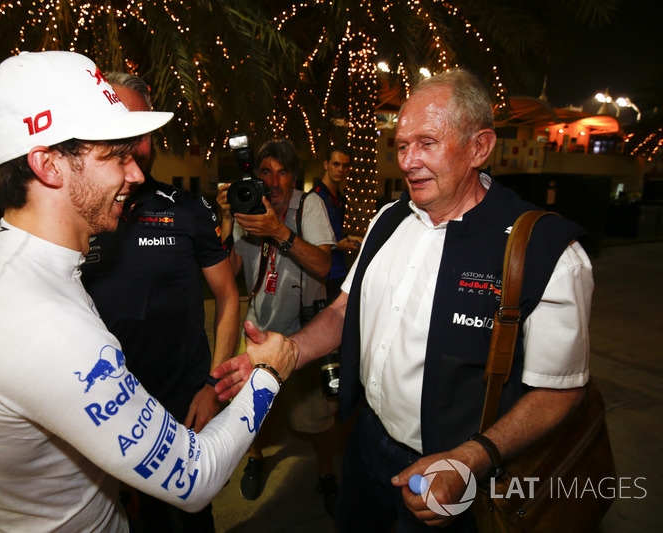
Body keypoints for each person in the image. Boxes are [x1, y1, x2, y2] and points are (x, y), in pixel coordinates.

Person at [213, 69, 593, 531]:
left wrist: (472, 459)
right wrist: (290, 351)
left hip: (452, 467)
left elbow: (562, 388)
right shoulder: (388, 220)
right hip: (366, 440)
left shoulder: (547, 252)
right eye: (401, 145)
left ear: (480, 147)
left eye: (427, 143)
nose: (408, 161)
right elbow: (344, 307)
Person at [0, 50, 295, 532]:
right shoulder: (48, 325)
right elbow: (195, 476)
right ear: (48, 165)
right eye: (115, 156)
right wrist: (269, 374)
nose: (137, 173)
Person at [81, 72, 239, 532]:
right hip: (101, 407)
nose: (130, 143)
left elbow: (229, 297)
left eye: (140, 130)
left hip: (182, 406)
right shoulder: (77, 214)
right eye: (115, 127)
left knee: (187, 518)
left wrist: (214, 384)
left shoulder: (188, 208)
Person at [217, 139, 339, 514]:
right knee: (247, 410)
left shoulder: (309, 206)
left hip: (304, 333)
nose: (273, 180)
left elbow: (323, 266)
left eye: (282, 172)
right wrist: (226, 220)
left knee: (317, 419)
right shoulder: (246, 207)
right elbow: (231, 272)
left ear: (294, 177)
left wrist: (277, 231)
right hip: (257, 331)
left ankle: (326, 474)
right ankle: (254, 458)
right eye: (265, 171)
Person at [310, 145, 361, 302]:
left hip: (338, 270)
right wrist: (338, 245)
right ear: (326, 165)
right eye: (336, 164)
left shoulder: (338, 196)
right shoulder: (315, 198)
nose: (341, 170)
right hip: (323, 275)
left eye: (345, 166)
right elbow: (310, 241)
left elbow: (332, 230)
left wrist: (348, 237)